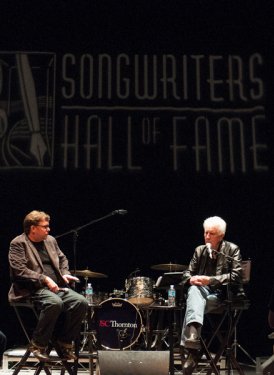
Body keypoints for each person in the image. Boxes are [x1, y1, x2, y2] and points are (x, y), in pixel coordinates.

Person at [8, 210, 88, 362]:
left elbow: (62, 258)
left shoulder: (50, 240)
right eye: (45, 226)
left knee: (81, 302)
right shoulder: (18, 243)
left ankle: (64, 342)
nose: (48, 229)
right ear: (33, 228)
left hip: (55, 287)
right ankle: (38, 344)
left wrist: (64, 273)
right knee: (54, 302)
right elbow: (19, 271)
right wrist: (44, 278)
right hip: (31, 289)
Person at [180, 216, 243, 374]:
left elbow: (236, 276)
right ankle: (193, 342)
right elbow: (187, 273)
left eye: (211, 233)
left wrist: (211, 280)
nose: (207, 236)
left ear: (221, 236)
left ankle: (191, 351)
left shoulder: (232, 249)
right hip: (200, 293)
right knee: (193, 291)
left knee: (192, 306)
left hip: (221, 295)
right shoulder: (199, 250)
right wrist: (191, 278)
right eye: (205, 233)